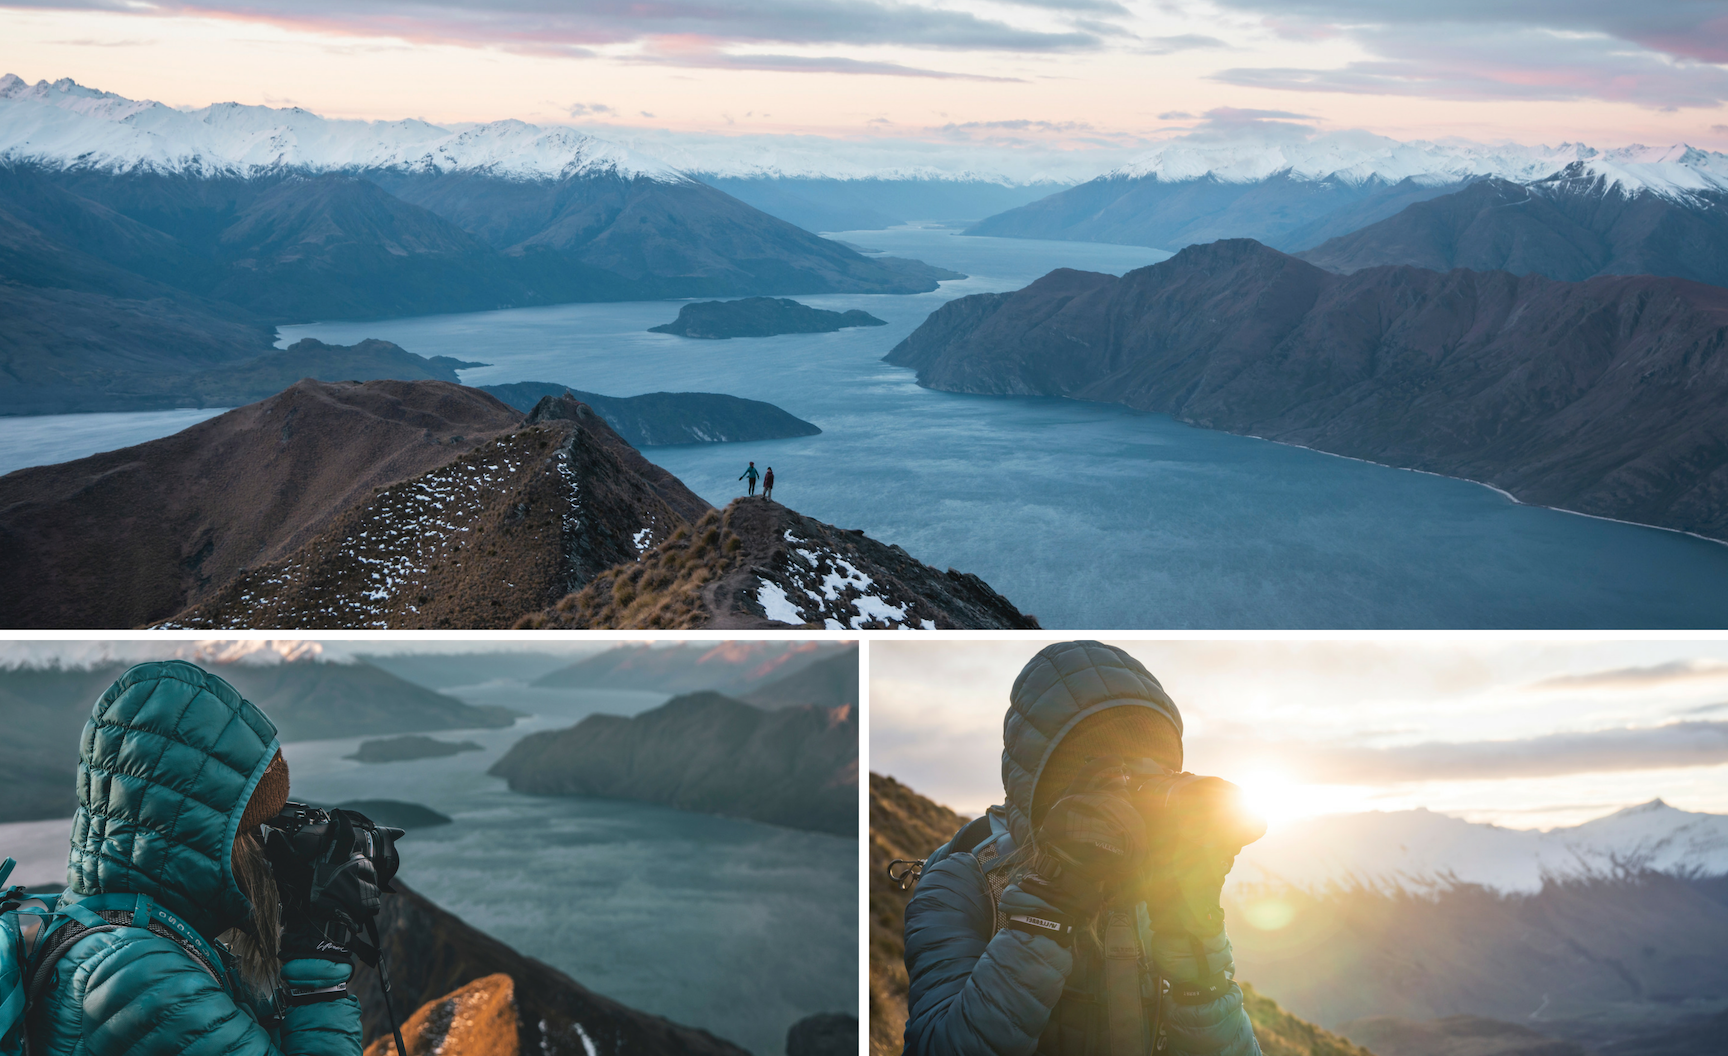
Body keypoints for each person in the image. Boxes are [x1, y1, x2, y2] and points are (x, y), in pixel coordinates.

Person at [902, 640, 1262, 1056]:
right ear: (1046, 786)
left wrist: (1196, 955)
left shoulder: (1156, 887)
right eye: (1106, 770)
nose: (1132, 798)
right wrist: (1049, 905)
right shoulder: (963, 884)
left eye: (1155, 770)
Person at [22, 660, 365, 1056]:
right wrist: (318, 973)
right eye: (257, 830)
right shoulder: (148, 980)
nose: (270, 851)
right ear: (204, 838)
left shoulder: (110, 927)